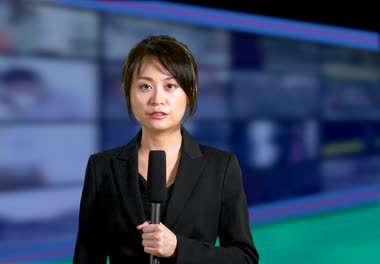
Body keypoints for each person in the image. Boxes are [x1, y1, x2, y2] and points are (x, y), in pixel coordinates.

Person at [74, 35, 259, 263]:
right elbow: (86, 257)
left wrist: (179, 248)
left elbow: (244, 257)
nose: (157, 99)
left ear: (190, 91)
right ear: (127, 92)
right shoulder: (102, 167)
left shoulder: (220, 167)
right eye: (145, 86)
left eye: (170, 86)